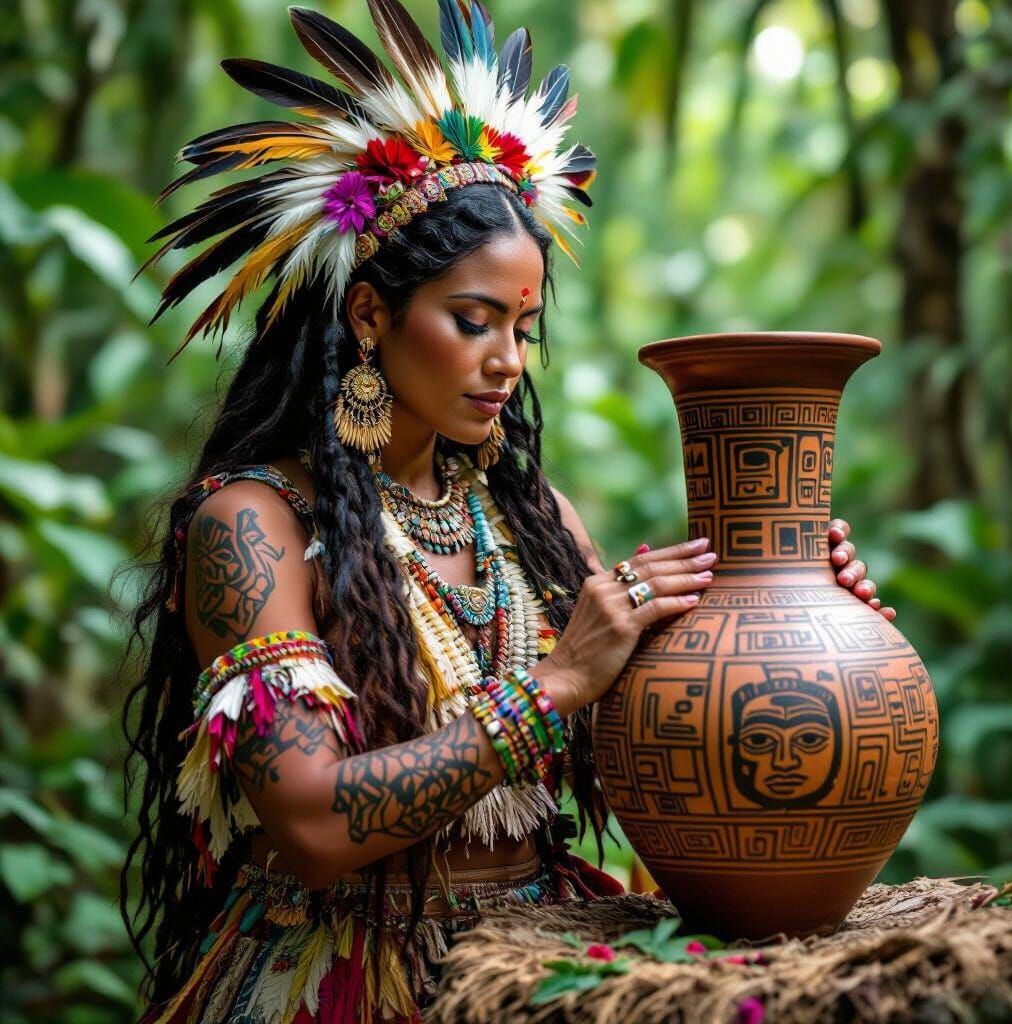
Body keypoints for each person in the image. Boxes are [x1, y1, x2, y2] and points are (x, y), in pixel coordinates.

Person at [121, 2, 895, 1021]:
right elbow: (309, 825)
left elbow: (650, 758)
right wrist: (556, 683)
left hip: (534, 960)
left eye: (522, 328)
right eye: (472, 320)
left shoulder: (532, 519)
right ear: (370, 314)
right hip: (342, 978)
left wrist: (794, 632)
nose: (507, 362)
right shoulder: (252, 523)